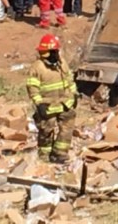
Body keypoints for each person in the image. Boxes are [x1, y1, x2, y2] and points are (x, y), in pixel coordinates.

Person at [26, 34, 78, 164]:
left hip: (65, 104)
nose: (55, 54)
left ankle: (60, 154)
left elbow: (69, 79)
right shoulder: (37, 67)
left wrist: (74, 94)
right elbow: (32, 88)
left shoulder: (62, 63)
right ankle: (44, 156)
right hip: (47, 106)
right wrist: (39, 104)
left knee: (67, 129)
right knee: (46, 131)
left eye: (55, 51)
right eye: (52, 52)